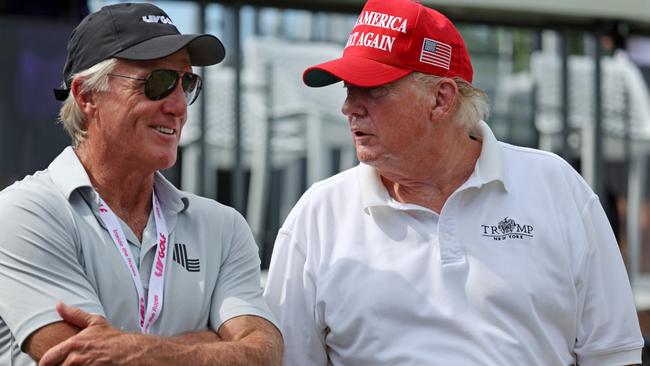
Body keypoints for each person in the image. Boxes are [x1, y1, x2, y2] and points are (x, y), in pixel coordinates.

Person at [263, 0, 643, 365]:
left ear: (441, 100)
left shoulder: (555, 185)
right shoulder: (320, 212)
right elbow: (289, 359)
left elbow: (611, 354)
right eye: (348, 88)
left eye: (373, 89)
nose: (349, 106)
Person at [0, 3, 282, 365]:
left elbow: (266, 355)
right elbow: (83, 360)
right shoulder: (24, 215)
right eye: (158, 82)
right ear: (86, 95)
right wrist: (209, 345)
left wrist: (141, 351)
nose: (179, 106)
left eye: (187, 83)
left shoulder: (223, 227)